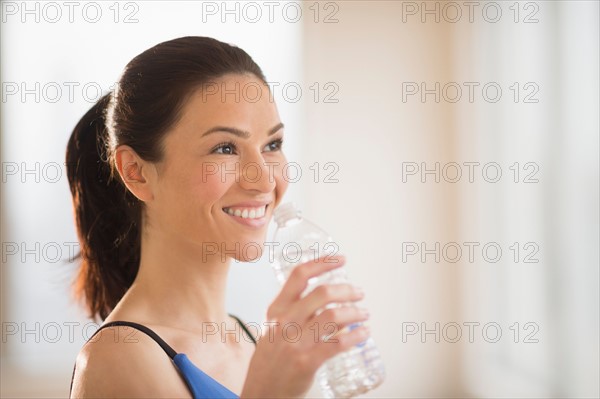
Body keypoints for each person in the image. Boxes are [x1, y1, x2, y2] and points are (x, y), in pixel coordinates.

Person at [66, 36, 370, 398]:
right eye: (225, 148)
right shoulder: (118, 359)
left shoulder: (251, 343)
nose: (264, 179)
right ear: (136, 172)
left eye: (272, 145)